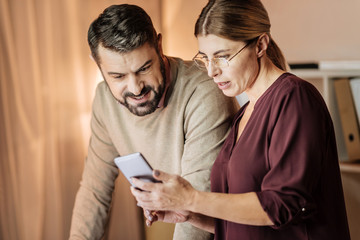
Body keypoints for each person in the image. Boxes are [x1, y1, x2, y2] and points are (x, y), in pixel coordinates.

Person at [130, 0, 351, 239]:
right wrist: (189, 213)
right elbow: (243, 225)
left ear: (260, 45)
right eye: (205, 58)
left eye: (222, 57)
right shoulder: (243, 114)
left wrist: (192, 198)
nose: (211, 71)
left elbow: (281, 206)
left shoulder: (295, 98)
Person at [69, 4, 239, 240]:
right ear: (97, 64)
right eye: (118, 76)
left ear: (159, 46)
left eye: (144, 68)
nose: (136, 88)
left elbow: (196, 206)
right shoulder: (104, 100)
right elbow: (94, 192)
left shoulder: (203, 93)